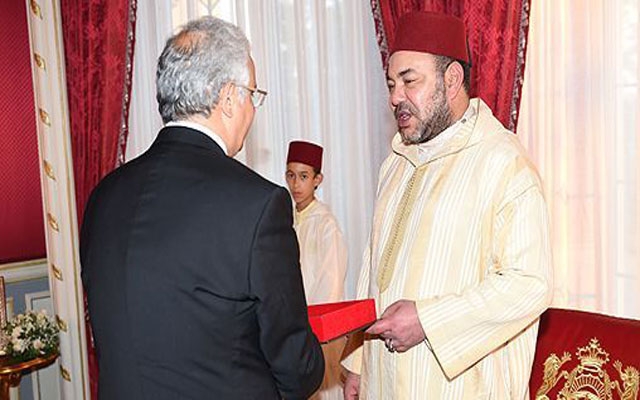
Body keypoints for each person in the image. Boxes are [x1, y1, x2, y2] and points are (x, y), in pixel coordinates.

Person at [80, 17, 324, 400]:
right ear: (227, 98)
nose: (253, 109)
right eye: (252, 95)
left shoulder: (102, 196)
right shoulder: (258, 205)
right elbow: (295, 367)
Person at [342, 11, 553, 400]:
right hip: (384, 380)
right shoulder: (395, 163)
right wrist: (357, 362)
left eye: (410, 81)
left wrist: (428, 320)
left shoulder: (502, 162)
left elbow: (530, 284)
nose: (395, 97)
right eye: (391, 84)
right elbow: (373, 267)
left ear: (452, 79)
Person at [284, 141, 348, 400]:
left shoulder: (325, 224)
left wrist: (312, 333)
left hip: (317, 335)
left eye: (303, 176)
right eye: (291, 175)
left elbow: (331, 283)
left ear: (317, 180)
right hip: (292, 332)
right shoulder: (284, 220)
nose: (296, 184)